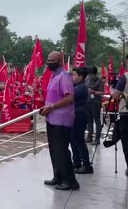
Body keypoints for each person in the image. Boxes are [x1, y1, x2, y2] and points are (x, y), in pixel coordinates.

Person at [40, 51, 79, 191]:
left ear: (60, 61)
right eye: (48, 59)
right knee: (54, 150)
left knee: (62, 151)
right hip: (52, 119)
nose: (49, 62)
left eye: (52, 60)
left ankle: (70, 181)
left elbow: (69, 98)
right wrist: (47, 108)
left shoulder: (64, 76)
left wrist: (51, 107)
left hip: (62, 120)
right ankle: (58, 176)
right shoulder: (53, 76)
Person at [70, 67, 93, 174]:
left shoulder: (81, 87)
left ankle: (86, 164)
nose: (72, 77)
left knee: (79, 140)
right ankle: (77, 162)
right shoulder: (77, 85)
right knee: (73, 140)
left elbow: (69, 95)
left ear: (81, 77)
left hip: (79, 116)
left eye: (74, 75)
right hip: (74, 115)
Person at [85, 66, 104, 145]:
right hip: (88, 102)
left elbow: (102, 93)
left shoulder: (99, 81)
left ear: (94, 74)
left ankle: (97, 138)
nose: (89, 76)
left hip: (96, 103)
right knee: (89, 120)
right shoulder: (87, 80)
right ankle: (89, 136)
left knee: (97, 120)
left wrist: (93, 92)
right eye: (89, 74)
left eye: (90, 74)